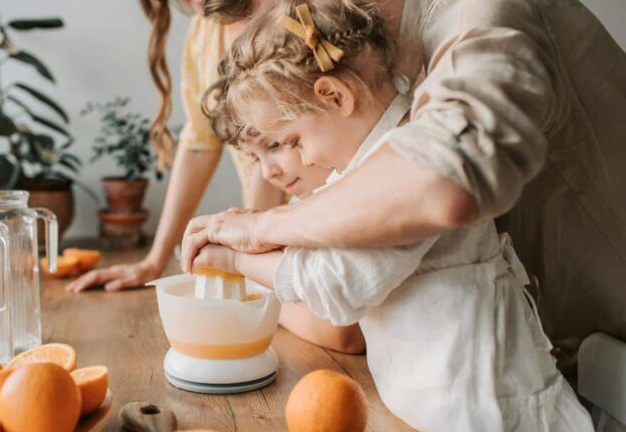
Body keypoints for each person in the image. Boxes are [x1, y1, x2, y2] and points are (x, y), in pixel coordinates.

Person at [189, 2, 594, 429]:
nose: (302, 157)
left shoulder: (403, 165)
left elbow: (335, 284)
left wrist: (237, 261)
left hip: (496, 413)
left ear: (334, 95)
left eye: (292, 141)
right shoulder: (360, 169)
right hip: (437, 412)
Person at [66, 0, 282, 294]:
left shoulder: (294, 14)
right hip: (270, 251)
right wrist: (155, 261)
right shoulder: (204, 34)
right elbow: (199, 144)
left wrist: (255, 251)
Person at [235, 130, 366, 353]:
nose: (268, 173)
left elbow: (344, 332)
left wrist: (251, 297)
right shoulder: (300, 201)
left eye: (275, 145)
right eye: (256, 158)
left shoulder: (348, 202)